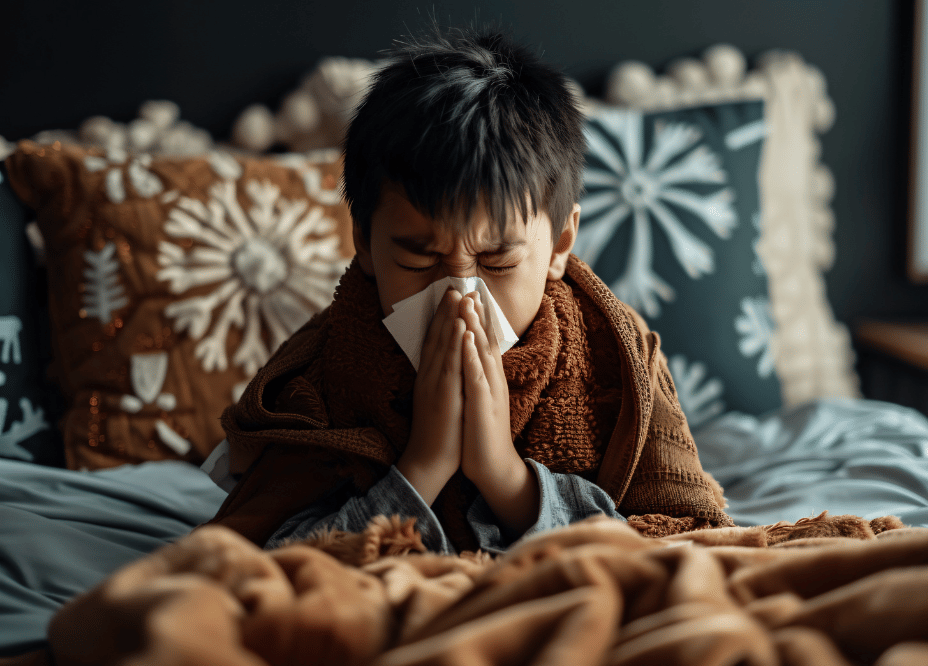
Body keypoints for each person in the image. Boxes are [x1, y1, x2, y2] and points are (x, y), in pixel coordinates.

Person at [206, 25, 732, 554]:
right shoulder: (319, 378)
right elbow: (256, 557)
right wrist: (422, 466)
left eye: (496, 260)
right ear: (364, 243)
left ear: (559, 244)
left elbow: (684, 540)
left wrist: (506, 478)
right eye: (420, 256)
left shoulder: (618, 361)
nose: (459, 296)